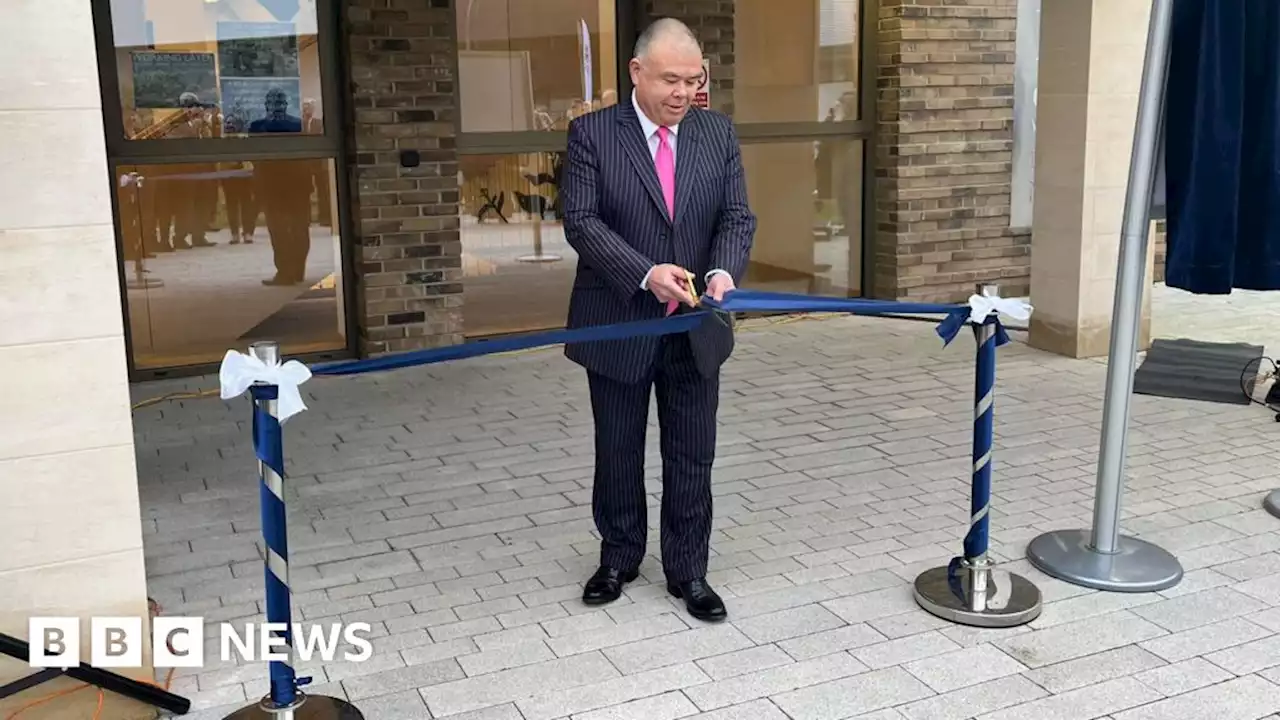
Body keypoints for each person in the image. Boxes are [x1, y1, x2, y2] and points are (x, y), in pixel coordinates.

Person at [559, 18, 756, 622]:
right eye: (671, 80)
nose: (683, 93)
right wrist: (646, 272)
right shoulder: (592, 134)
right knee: (617, 449)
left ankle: (688, 569)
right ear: (636, 72)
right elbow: (581, 222)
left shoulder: (717, 134)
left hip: (695, 326)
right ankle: (619, 556)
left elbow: (737, 217)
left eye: (693, 80)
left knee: (693, 452)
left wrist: (722, 272)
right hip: (618, 319)